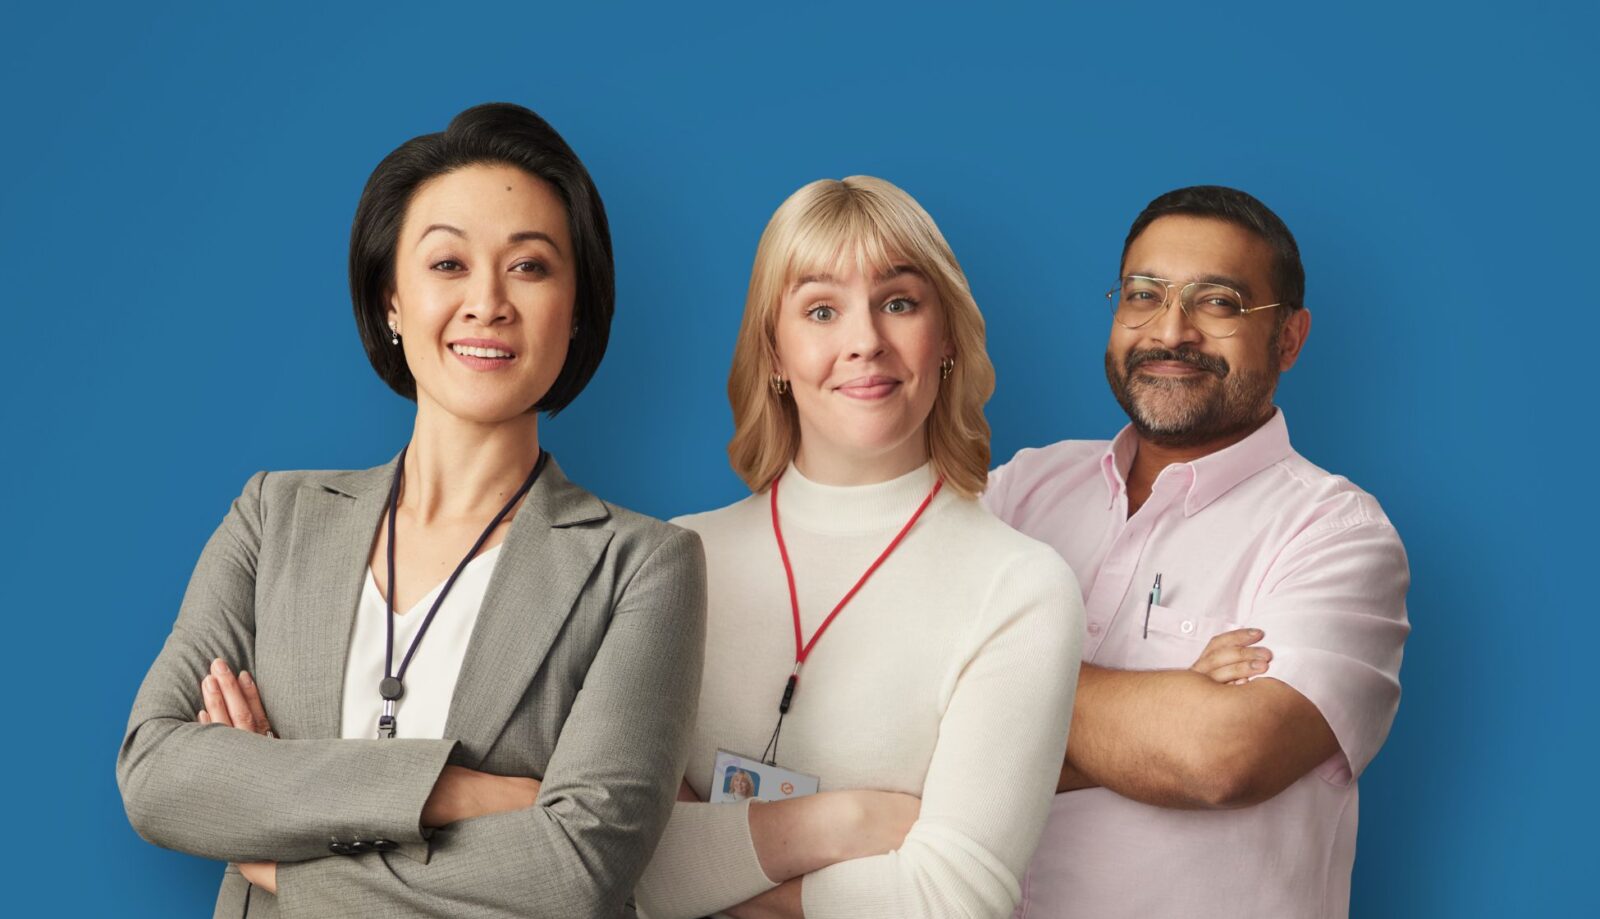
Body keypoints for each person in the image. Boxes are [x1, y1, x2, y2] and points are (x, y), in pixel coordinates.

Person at [116, 102, 707, 919]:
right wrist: (450, 789)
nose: (488, 301)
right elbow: (155, 770)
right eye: (448, 263)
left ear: (577, 308)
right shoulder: (273, 517)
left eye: (530, 266)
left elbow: (578, 868)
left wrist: (279, 850)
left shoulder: (642, 565)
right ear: (390, 298)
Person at [635, 176, 1084, 919]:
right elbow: (615, 858)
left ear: (945, 337)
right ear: (773, 352)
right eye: (821, 310)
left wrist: (708, 872)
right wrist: (845, 822)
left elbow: (952, 899)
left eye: (899, 302)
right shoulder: (673, 559)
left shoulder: (1020, 586)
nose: (866, 341)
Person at [983, 185, 1411, 918]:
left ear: (1289, 337)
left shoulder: (1336, 534)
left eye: (1218, 302)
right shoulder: (1020, 489)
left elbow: (1220, 758)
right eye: (1143, 295)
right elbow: (889, 713)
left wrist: (986, 690)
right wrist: (1161, 711)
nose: (1170, 330)